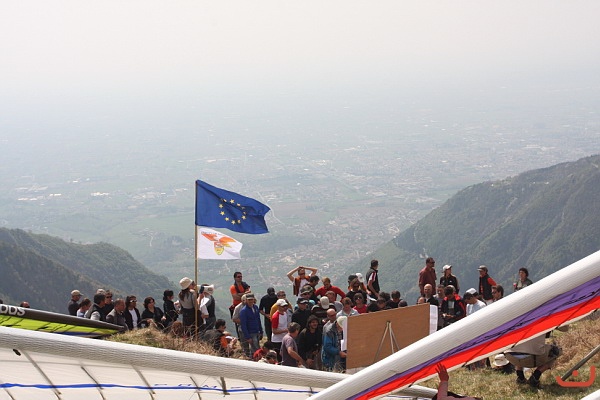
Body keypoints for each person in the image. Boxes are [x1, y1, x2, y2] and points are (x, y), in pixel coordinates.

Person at [239, 293, 263, 357]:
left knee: (255, 348)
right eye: (249, 300)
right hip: (251, 332)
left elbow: (258, 320)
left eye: (251, 299)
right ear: (246, 300)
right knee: (256, 348)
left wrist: (261, 331)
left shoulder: (255, 307)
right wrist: (247, 337)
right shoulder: (244, 311)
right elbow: (243, 325)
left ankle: (253, 358)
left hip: (256, 331)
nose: (250, 301)